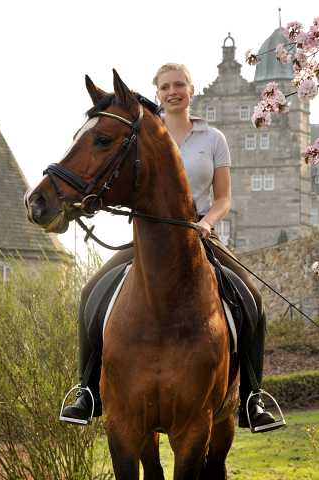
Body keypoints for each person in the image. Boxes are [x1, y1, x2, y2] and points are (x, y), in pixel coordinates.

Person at [61, 63, 276, 431]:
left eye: (179, 85)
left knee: (252, 298)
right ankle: (86, 390)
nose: (172, 91)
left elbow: (223, 197)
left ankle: (253, 396)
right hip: (148, 239)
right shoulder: (143, 132)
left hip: (201, 235)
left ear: (192, 90)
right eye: (165, 87)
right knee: (88, 294)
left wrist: (207, 223)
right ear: (157, 93)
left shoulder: (213, 139)